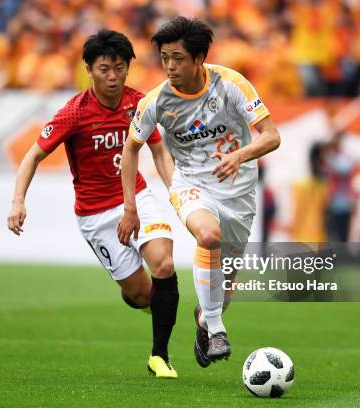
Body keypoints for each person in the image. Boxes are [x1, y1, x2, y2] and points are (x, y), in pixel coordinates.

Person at [7, 29, 179, 378]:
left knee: (163, 264)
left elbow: (159, 150)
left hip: (138, 197)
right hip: (96, 216)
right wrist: (17, 202)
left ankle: (159, 356)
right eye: (104, 69)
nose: (112, 76)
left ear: (128, 68)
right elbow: (32, 156)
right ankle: (150, 302)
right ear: (89, 69)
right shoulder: (74, 113)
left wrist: (177, 192)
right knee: (143, 296)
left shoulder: (139, 104)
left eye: (119, 68)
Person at [117, 17, 281, 367]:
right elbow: (131, 149)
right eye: (164, 58)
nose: (170, 67)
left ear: (198, 59)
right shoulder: (156, 102)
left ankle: (206, 319)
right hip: (190, 184)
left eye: (177, 58)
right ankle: (218, 329)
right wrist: (129, 207)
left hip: (239, 192)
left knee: (225, 287)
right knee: (208, 235)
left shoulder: (231, 84)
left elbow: (271, 135)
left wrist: (239, 154)